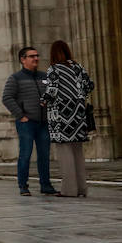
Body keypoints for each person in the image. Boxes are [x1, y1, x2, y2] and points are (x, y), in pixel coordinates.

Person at [2, 46, 57, 196]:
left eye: (37, 56)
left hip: (44, 123)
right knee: (25, 154)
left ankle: (45, 185)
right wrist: (21, 115)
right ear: (23, 59)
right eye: (32, 56)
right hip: (27, 122)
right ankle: (23, 186)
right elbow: (7, 98)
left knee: (44, 155)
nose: (36, 59)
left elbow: (52, 94)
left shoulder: (44, 76)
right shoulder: (16, 78)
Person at [42, 40, 94, 197]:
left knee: (65, 152)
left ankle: (69, 190)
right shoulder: (77, 67)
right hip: (78, 112)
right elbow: (89, 85)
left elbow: (52, 90)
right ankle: (82, 188)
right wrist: (79, 97)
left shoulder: (54, 69)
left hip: (61, 114)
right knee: (77, 151)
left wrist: (43, 100)